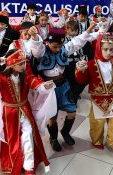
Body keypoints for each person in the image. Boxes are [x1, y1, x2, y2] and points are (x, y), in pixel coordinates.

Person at [32, 24, 96, 152]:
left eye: (60, 46)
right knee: (52, 117)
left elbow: (76, 42)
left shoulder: (63, 49)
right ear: (48, 42)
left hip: (64, 86)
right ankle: (53, 138)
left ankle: (65, 132)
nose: (57, 49)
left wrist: (88, 31)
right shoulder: (42, 51)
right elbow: (36, 48)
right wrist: (34, 36)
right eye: (54, 46)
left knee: (72, 111)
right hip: (49, 89)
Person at [0, 49, 51, 174]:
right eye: (21, 63)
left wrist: (44, 86)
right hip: (9, 113)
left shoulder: (26, 76)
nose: (24, 66)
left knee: (28, 135)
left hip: (24, 110)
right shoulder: (1, 78)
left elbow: (35, 82)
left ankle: (29, 167)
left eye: (24, 63)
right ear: (11, 63)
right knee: (13, 139)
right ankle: (15, 162)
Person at [75, 34, 113, 151]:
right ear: (99, 48)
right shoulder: (91, 64)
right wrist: (80, 70)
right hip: (97, 97)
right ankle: (96, 140)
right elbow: (81, 80)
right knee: (97, 122)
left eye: (111, 49)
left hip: (111, 96)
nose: (109, 52)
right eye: (105, 49)